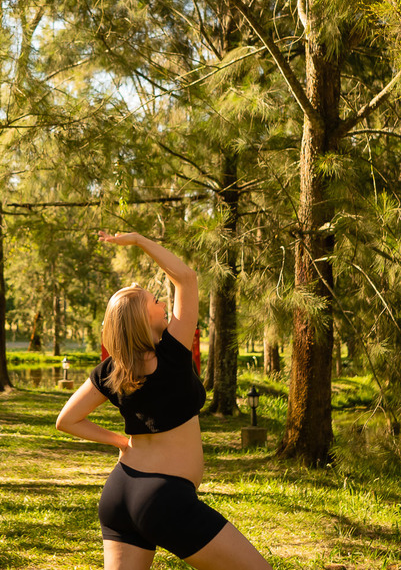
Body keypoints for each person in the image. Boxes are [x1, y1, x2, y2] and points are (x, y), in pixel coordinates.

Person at [56, 231, 273, 570]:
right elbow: (185, 278)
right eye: (155, 301)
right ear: (144, 320)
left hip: (120, 492)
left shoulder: (112, 370)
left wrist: (120, 442)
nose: (162, 304)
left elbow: (67, 420)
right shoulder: (172, 352)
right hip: (163, 499)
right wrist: (140, 240)